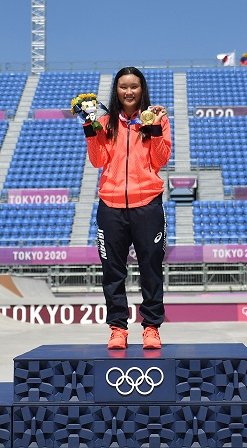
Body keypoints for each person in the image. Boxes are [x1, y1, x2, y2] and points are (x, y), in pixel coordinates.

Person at [82, 67, 171, 350]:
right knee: (112, 271)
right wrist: (90, 129)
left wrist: (154, 128)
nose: (128, 92)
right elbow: (98, 161)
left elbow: (161, 161)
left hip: (148, 204)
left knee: (151, 269)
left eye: (134, 86)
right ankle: (118, 328)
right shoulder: (106, 122)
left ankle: (152, 328)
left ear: (142, 89)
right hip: (111, 206)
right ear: (116, 90)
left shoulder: (157, 118)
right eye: (123, 87)